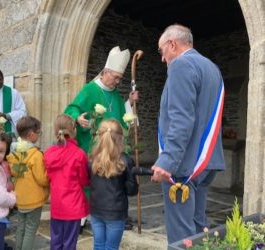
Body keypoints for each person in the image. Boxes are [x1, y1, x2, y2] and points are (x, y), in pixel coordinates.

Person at [151, 24, 226, 244]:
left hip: (183, 166)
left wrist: (167, 161)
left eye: (161, 51)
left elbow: (181, 118)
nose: (163, 58)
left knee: (180, 238)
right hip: (206, 162)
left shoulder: (181, 65)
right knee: (198, 231)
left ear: (172, 44)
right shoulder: (212, 68)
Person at [64, 46, 137, 154]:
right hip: (94, 149)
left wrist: (130, 102)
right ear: (105, 72)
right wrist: (77, 118)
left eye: (120, 79)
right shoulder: (89, 89)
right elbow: (71, 108)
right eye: (116, 77)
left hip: (113, 149)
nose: (117, 82)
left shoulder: (115, 95)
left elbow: (122, 118)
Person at [88, 119, 138, 250]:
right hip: (115, 212)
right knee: (111, 247)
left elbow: (89, 182)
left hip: (96, 209)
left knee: (98, 245)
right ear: (120, 139)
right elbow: (132, 191)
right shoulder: (125, 160)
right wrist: (132, 175)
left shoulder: (92, 159)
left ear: (99, 137)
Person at [44, 114, 89, 250]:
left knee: (56, 240)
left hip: (57, 203)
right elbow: (84, 180)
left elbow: (48, 176)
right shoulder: (79, 153)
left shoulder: (49, 152)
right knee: (70, 242)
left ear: (55, 131)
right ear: (74, 130)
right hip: (73, 203)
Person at [7, 116, 49, 250]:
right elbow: (42, 179)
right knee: (30, 229)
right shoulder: (36, 155)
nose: (39, 135)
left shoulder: (13, 153)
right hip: (34, 199)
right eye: (39, 132)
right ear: (31, 135)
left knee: (21, 227)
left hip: (20, 198)